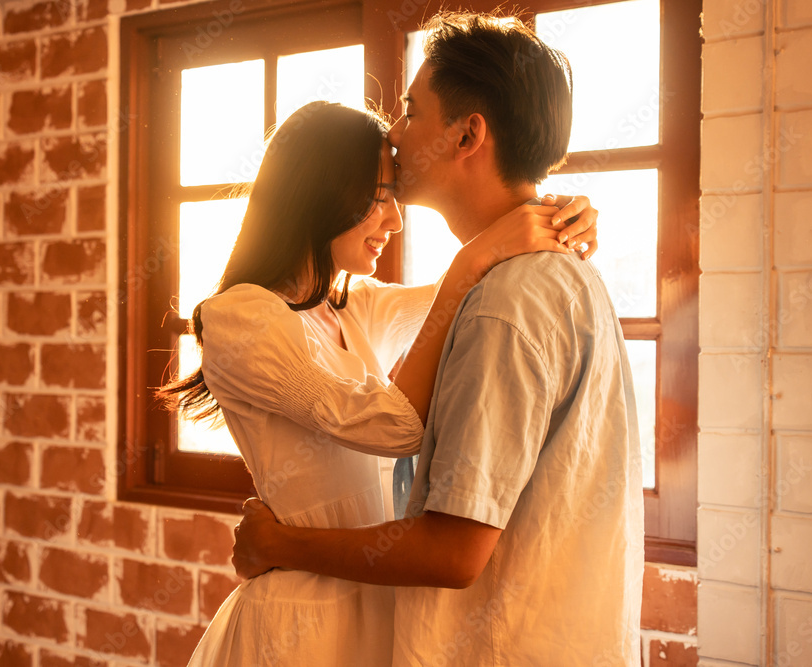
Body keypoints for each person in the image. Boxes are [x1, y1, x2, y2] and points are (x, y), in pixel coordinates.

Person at [232, 12, 644, 667]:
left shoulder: (506, 303)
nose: (394, 134)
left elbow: (452, 552)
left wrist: (279, 545)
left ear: (467, 133)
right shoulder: (547, 276)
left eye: (409, 109)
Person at [153, 98, 598, 665]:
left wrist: (566, 217)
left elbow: (492, 279)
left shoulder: (355, 309)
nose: (395, 220)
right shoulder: (240, 317)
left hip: (380, 605)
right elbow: (395, 426)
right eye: (382, 199)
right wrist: (471, 259)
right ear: (321, 192)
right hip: (298, 622)